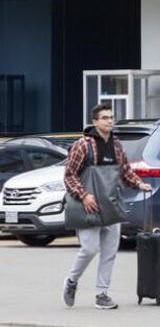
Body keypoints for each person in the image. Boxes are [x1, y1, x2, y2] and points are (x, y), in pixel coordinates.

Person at [63, 104, 152, 310]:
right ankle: (71, 280)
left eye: (111, 117)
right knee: (89, 248)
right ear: (95, 122)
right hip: (90, 205)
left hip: (112, 204)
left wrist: (139, 183)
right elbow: (69, 175)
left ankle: (101, 294)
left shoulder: (117, 145)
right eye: (104, 118)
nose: (109, 121)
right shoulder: (83, 145)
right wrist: (84, 196)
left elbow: (125, 172)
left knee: (110, 251)